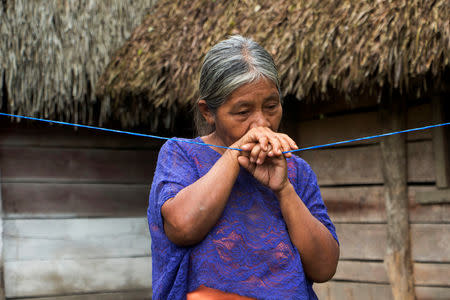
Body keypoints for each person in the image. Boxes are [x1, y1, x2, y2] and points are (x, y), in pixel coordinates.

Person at [148, 35, 339, 300]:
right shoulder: (182, 155)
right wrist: (233, 156)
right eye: (242, 112)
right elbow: (182, 228)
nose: (261, 123)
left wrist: (284, 190)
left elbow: (324, 267)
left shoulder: (296, 172)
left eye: (271, 106)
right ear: (207, 112)